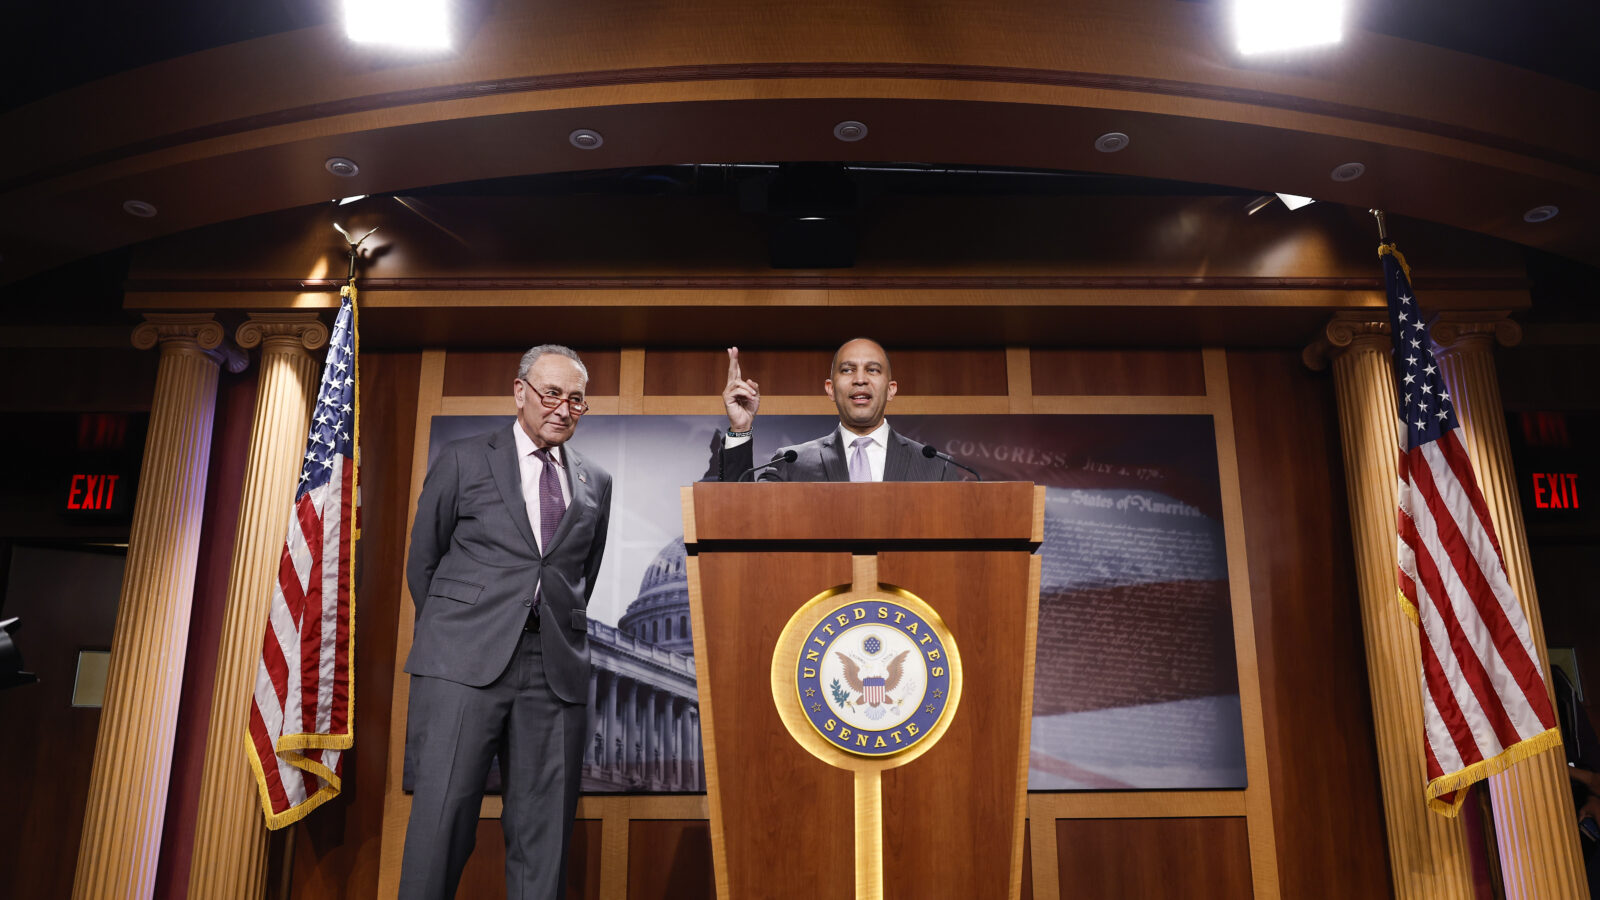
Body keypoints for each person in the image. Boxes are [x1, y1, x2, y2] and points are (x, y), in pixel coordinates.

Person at [399, 344, 614, 900]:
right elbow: (424, 561)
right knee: (442, 822)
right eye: (552, 394)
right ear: (520, 392)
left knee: (544, 838)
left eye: (576, 400)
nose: (563, 408)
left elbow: (579, 575)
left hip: (554, 671)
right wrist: (461, 631)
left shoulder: (596, 480)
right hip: (462, 664)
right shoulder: (463, 459)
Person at [704, 337, 963, 482]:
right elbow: (743, 518)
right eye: (848, 370)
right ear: (830, 389)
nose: (860, 379)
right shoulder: (792, 463)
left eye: (872, 370)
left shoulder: (935, 467)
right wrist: (740, 429)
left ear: (891, 389)